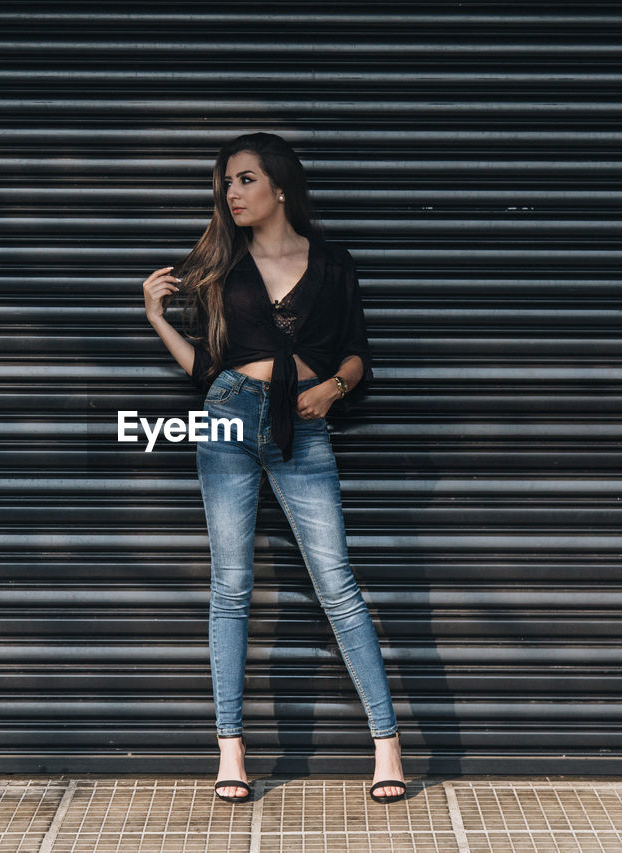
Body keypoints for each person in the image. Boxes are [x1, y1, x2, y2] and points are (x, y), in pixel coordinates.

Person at [141, 132, 406, 805]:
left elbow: (356, 353)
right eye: (226, 183)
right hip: (227, 416)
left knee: (337, 583)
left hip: (305, 421)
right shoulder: (221, 271)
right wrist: (157, 319)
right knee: (231, 587)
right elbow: (208, 367)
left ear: (281, 186)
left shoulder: (335, 263)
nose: (231, 193)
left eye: (246, 179)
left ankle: (388, 745)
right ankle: (231, 748)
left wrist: (333, 390)